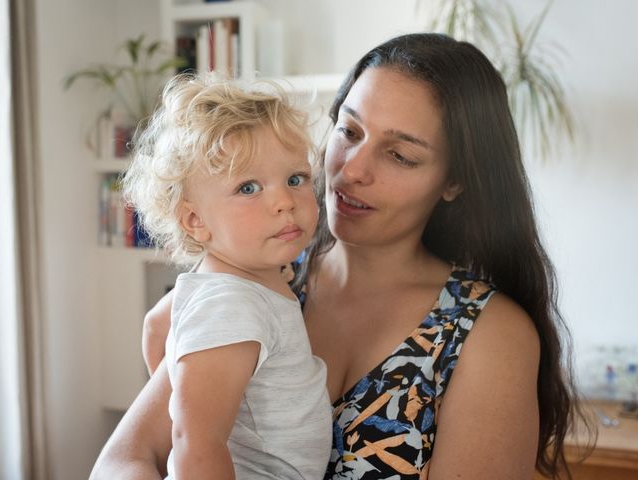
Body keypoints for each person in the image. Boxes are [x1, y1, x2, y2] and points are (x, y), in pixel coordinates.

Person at [90, 33, 583, 480]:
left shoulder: (485, 333)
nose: (352, 170)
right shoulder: (256, 279)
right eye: (349, 131)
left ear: (454, 181)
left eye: (400, 155)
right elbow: (122, 460)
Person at [119, 74, 333, 479]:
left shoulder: (236, 281)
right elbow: (196, 446)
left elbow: (156, 325)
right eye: (249, 188)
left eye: (295, 178)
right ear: (195, 220)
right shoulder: (230, 304)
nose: (284, 202)